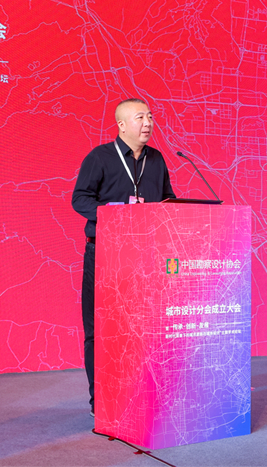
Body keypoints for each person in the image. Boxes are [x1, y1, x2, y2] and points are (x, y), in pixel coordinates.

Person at [71, 98, 175, 418]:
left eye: (150, 117)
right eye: (140, 117)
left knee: (142, 328)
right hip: (105, 253)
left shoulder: (156, 159)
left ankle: (139, 395)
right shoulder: (100, 157)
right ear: (121, 125)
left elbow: (168, 198)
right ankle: (101, 400)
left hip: (145, 256)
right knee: (101, 330)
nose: (148, 123)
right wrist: (114, 215)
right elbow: (80, 199)